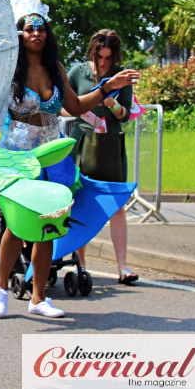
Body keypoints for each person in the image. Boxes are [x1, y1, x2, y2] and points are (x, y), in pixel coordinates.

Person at [0, 0, 138, 319]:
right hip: (20, 155)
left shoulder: (56, 68)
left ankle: (38, 297)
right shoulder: (8, 67)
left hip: (53, 153)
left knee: (49, 224)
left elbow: (75, 106)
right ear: (19, 32)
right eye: (29, 28)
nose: (36, 33)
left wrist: (107, 87)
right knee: (18, 222)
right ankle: (1, 287)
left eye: (40, 27)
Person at [65, 30, 137, 285]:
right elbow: (65, 105)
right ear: (92, 52)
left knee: (117, 205)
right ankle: (80, 265)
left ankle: (123, 268)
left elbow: (126, 113)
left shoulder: (122, 75)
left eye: (109, 58)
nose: (104, 63)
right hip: (82, 140)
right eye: (99, 57)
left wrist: (112, 105)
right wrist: (85, 111)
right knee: (79, 200)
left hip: (109, 143)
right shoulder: (78, 72)